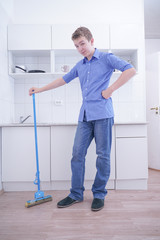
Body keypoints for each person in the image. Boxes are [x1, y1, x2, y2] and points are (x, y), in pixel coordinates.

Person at [29, 27, 136, 211]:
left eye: (83, 44)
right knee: (77, 155)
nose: (80, 48)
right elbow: (63, 80)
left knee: (102, 156)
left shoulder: (107, 58)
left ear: (91, 41)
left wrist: (110, 90)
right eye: (77, 46)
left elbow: (130, 70)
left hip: (103, 114)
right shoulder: (80, 65)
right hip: (85, 116)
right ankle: (76, 194)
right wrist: (39, 90)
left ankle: (99, 194)